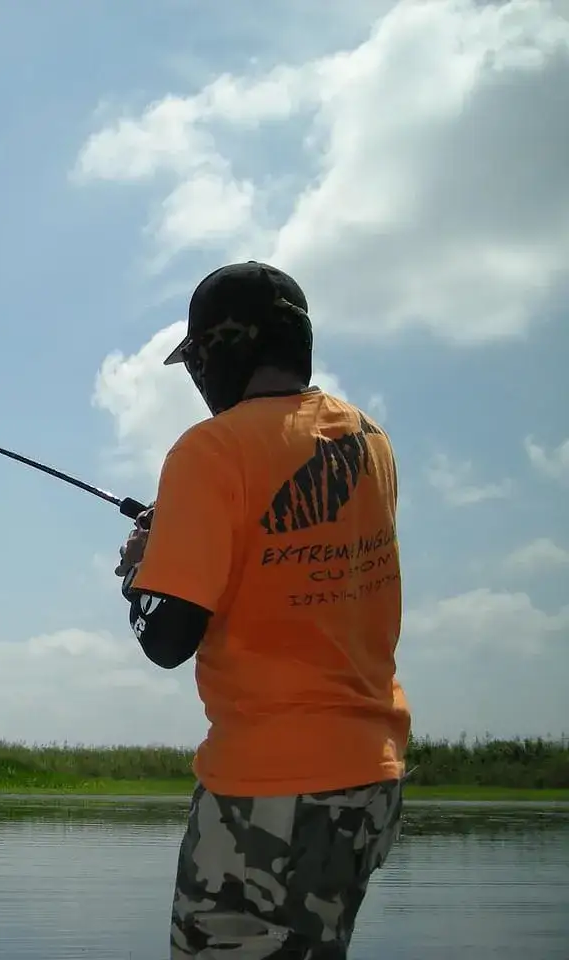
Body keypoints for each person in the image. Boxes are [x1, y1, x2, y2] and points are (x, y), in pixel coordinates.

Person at [113, 261, 412, 959]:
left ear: (220, 351)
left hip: (267, 789)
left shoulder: (209, 450)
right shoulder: (370, 440)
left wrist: (138, 575)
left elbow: (168, 636)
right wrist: (184, 535)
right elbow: (287, 564)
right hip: (369, 781)